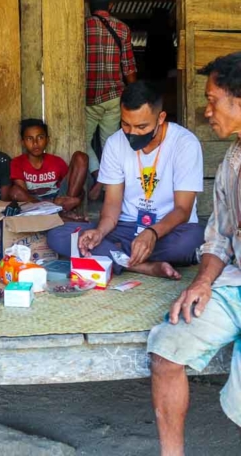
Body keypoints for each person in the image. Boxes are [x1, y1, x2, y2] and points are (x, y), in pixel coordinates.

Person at [148, 52, 241, 454]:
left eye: (213, 100)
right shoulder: (231, 164)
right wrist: (202, 283)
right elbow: (219, 236)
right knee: (168, 347)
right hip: (235, 283)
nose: (207, 111)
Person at [47, 81, 205, 279]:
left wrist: (152, 234)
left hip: (168, 229)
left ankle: (115, 255)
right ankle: (144, 266)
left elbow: (183, 210)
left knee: (191, 241)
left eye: (141, 126)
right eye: (125, 124)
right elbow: (112, 204)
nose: (132, 133)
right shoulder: (115, 143)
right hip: (126, 227)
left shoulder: (185, 143)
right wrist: (100, 233)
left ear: (161, 118)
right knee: (59, 235)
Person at [85, 0, 137, 200]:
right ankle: (110, 186)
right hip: (114, 95)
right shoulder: (123, 28)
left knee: (81, 142)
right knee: (111, 143)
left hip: (88, 97)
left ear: (89, 5)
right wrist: (133, 94)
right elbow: (129, 68)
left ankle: (98, 176)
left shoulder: (83, 27)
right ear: (111, 6)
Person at [9, 118, 89, 219]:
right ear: (23, 142)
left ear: (47, 139)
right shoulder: (17, 162)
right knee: (14, 191)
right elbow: (21, 193)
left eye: (40, 137)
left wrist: (76, 199)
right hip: (34, 203)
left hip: (59, 198)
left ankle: (64, 210)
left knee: (81, 157)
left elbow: (74, 186)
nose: (35, 143)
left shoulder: (57, 162)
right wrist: (52, 203)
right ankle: (56, 211)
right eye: (29, 139)